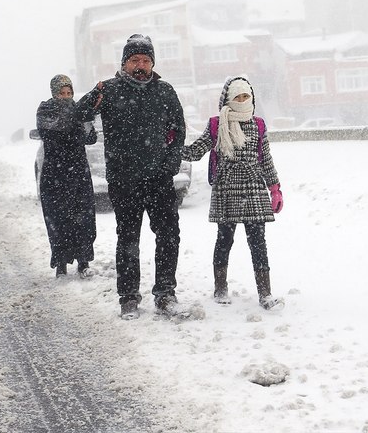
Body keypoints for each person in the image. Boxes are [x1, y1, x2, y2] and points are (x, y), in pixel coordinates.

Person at [76, 34, 186, 320]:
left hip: (159, 179)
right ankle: (128, 297)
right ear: (124, 63)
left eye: (146, 61)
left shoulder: (165, 91)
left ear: (153, 64)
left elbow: (179, 132)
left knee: (168, 236)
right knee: (128, 238)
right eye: (135, 60)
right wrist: (91, 98)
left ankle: (165, 293)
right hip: (124, 180)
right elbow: (80, 115)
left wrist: (171, 164)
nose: (141, 66)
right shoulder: (109, 90)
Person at [182, 76, 284, 310]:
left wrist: (275, 188)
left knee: (258, 242)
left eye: (245, 96)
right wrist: (174, 148)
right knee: (224, 240)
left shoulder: (258, 125)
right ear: (227, 99)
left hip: (254, 188)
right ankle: (220, 287)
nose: (241, 100)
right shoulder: (218, 124)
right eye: (236, 96)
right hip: (227, 189)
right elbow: (197, 151)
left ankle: (265, 293)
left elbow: (265, 159)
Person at [36, 74, 97, 278]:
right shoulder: (45, 110)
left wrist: (87, 116)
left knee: (83, 218)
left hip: (78, 172)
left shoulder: (79, 111)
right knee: (58, 218)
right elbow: (53, 132)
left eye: (69, 93)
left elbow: (90, 137)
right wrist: (78, 113)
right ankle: (61, 263)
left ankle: (83, 261)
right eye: (62, 93)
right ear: (54, 94)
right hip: (55, 174)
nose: (66, 97)